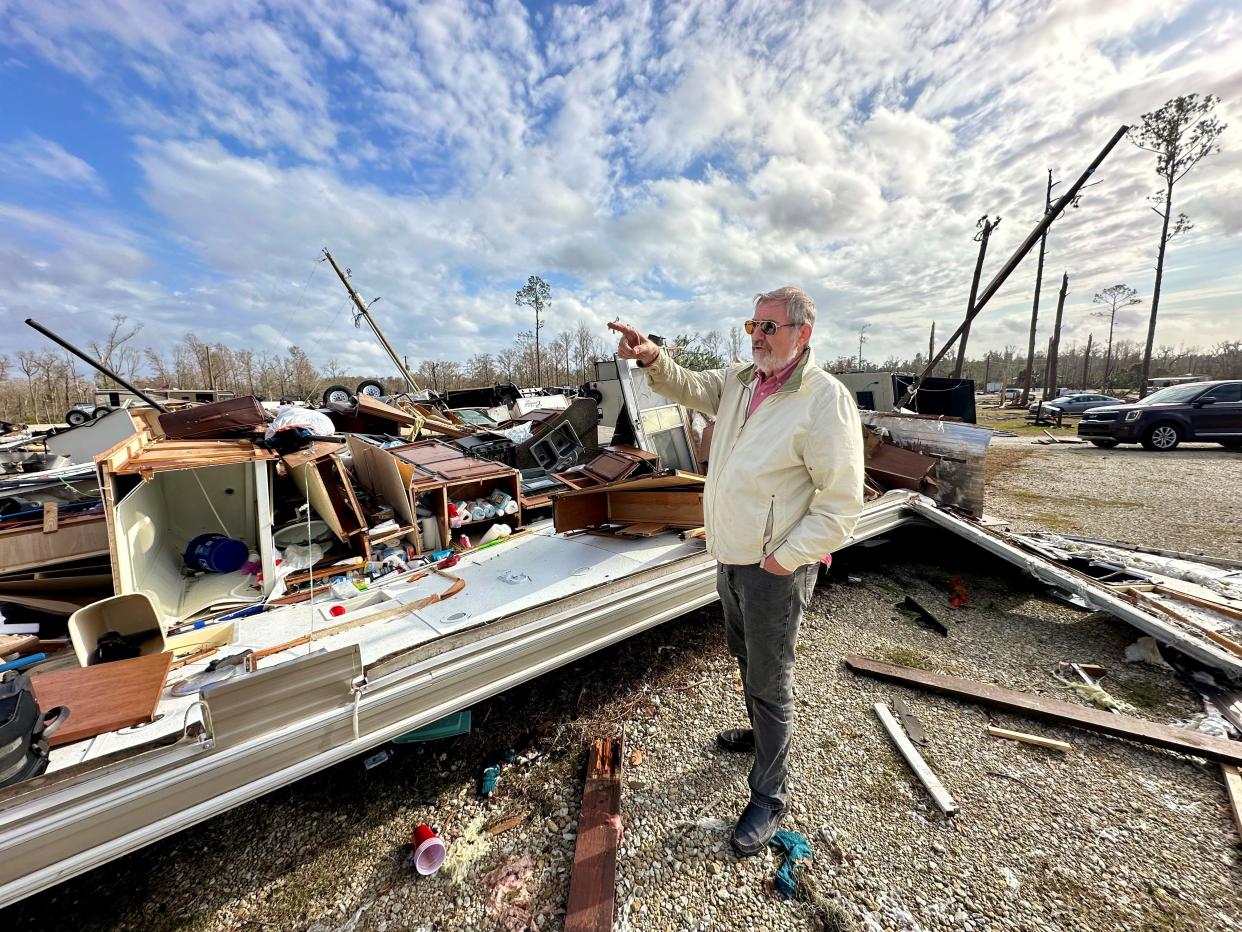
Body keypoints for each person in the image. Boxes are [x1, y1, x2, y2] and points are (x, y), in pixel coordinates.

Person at [607, 286, 864, 856]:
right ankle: (761, 739)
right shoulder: (741, 381)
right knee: (746, 657)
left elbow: (842, 503)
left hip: (776, 566)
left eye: (770, 327)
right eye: (753, 325)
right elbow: (692, 386)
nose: (757, 336)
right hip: (731, 554)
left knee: (771, 680)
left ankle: (769, 796)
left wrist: (784, 557)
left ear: (804, 334)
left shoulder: (824, 399)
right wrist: (651, 355)